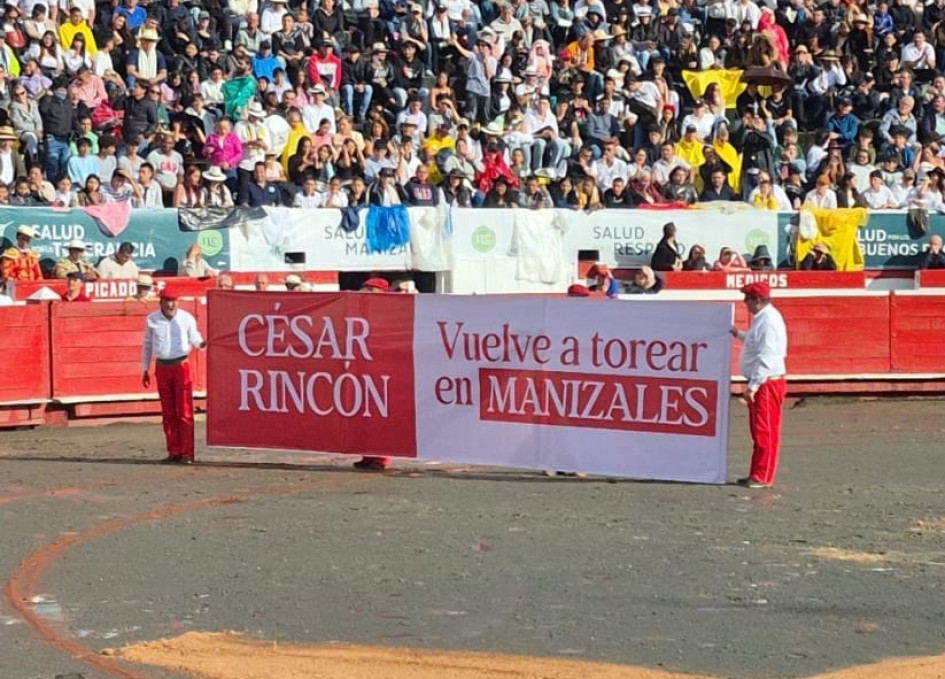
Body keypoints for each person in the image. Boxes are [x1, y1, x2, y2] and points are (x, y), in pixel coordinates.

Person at [730, 281, 788, 489]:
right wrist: (738, 334)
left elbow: (767, 356)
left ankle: (762, 475)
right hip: (765, 380)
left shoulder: (768, 321)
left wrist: (752, 387)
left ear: (757, 300)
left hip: (766, 382)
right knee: (760, 430)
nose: (744, 302)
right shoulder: (764, 318)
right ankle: (758, 473)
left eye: (747, 298)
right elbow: (756, 343)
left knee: (765, 430)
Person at [141, 288, 207, 464]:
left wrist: (202, 344)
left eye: (174, 301)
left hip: (181, 366)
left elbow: (195, 337)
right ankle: (174, 451)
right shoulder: (152, 320)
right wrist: (145, 369)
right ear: (160, 302)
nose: (171, 305)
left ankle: (187, 453)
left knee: (184, 410)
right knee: (168, 411)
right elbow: (147, 345)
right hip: (162, 366)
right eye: (167, 301)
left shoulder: (186, 318)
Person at [353, 277, 392, 471]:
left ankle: (381, 457)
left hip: (382, 369)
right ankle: (368, 454)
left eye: (371, 290)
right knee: (362, 414)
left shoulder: (389, 314)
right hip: (363, 367)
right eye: (365, 290)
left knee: (378, 414)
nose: (367, 294)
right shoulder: (359, 312)